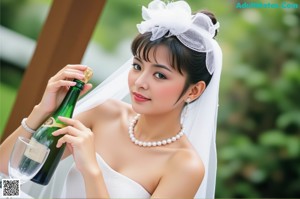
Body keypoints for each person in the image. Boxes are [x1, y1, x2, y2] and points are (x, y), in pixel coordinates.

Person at [0, 0, 222, 198]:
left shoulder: (185, 166)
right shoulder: (103, 113)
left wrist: (91, 170)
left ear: (194, 91)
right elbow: (9, 170)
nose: (140, 82)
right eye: (137, 66)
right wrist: (43, 110)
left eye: (160, 74)